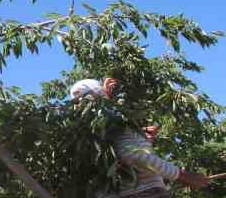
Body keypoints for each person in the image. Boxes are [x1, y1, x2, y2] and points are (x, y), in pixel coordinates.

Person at [70, 79, 211, 197]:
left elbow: (122, 155)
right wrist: (182, 176)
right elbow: (132, 154)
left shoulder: (87, 130)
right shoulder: (108, 119)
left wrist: (141, 137)